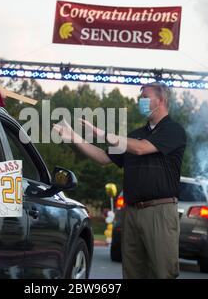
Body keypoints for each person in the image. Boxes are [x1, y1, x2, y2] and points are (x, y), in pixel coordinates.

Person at [53, 82, 187, 279]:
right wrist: (72, 136)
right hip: (131, 212)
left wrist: (102, 133)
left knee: (162, 272)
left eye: (145, 97)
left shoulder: (174, 131)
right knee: (132, 272)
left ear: (161, 100)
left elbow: (140, 148)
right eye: (140, 97)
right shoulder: (135, 135)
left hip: (159, 212)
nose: (140, 101)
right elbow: (103, 158)